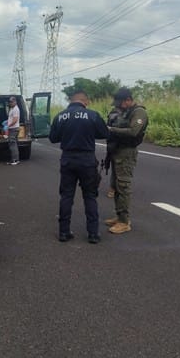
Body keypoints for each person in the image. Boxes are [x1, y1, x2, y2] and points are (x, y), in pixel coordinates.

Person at [49, 90, 109, 243]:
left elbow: (53, 138)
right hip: (87, 160)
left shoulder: (60, 116)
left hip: (68, 159)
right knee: (90, 196)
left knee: (66, 196)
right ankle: (93, 234)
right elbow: (104, 133)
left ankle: (63, 232)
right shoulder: (92, 115)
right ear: (85, 101)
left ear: (71, 101)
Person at [104, 87, 148, 235]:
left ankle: (124, 222)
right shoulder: (124, 111)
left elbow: (133, 131)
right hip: (117, 150)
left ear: (128, 100)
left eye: (120, 103)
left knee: (123, 186)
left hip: (127, 152)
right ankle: (119, 216)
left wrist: (111, 130)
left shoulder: (139, 112)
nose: (117, 106)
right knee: (117, 185)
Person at [6, 96, 21, 165]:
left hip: (14, 128)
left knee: (13, 144)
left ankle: (15, 160)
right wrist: (7, 123)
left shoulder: (15, 109)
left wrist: (8, 125)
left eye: (12, 102)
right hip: (12, 128)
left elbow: (15, 120)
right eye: (10, 102)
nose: (10, 103)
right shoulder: (12, 108)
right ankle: (13, 159)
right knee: (12, 144)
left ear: (15, 102)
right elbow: (11, 118)